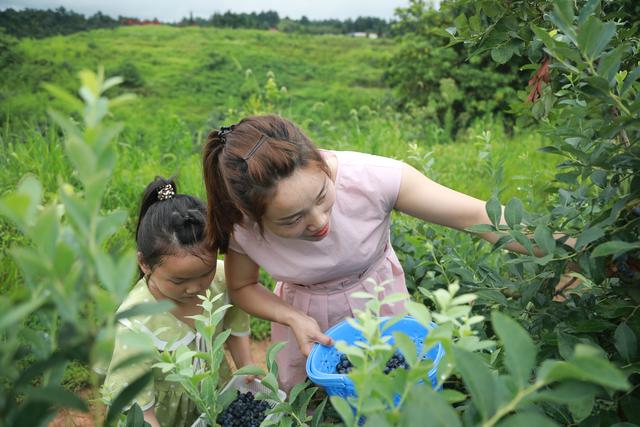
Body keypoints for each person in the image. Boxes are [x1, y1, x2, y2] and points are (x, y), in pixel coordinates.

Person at [201, 115, 531, 391]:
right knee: (312, 401)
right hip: (305, 320)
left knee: (394, 392)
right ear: (252, 216)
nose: (318, 222)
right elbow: (242, 286)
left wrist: (564, 248)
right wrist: (293, 317)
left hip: (379, 300)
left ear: (319, 163)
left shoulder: (373, 178)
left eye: (321, 197)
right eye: (292, 219)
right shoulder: (240, 224)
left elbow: (477, 216)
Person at [102, 177, 253, 427]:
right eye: (179, 280)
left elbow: (236, 327)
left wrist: (247, 369)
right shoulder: (136, 323)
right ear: (144, 263)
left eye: (205, 272)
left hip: (214, 399)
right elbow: (140, 411)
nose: (195, 287)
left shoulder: (222, 279)